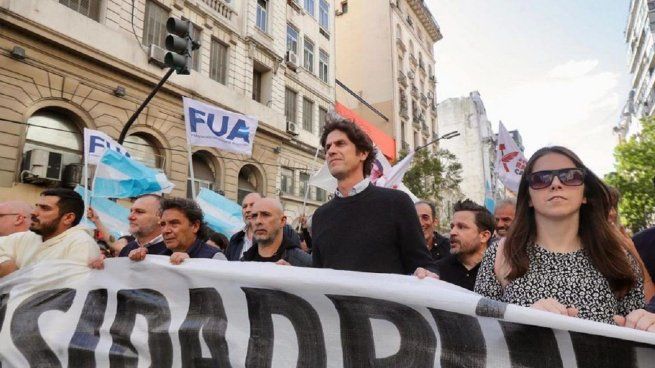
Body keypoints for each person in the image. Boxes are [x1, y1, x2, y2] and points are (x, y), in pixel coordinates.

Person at [474, 146, 655, 331]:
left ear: (584, 194)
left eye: (570, 176)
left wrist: (646, 324)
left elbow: (638, 338)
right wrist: (521, 322)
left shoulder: (617, 256)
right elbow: (478, 332)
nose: (555, 184)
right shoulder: (500, 254)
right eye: (541, 179)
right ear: (528, 197)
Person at [311, 112, 437, 277]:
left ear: (363, 153)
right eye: (328, 147)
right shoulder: (320, 216)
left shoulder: (397, 203)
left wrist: (427, 273)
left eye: (340, 144)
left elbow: (424, 265)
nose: (331, 151)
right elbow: (318, 277)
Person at [0, 188, 100, 277]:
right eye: (37, 206)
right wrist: (5, 263)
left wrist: (18, 278)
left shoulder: (81, 244)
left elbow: (68, 291)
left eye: (44, 208)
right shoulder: (29, 237)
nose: (33, 212)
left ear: (68, 218)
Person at [129, 197, 225, 264]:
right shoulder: (156, 256)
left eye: (174, 223)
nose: (166, 230)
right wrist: (139, 262)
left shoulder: (214, 257)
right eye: (163, 224)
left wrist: (192, 265)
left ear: (195, 226)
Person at [437, 199, 494, 291]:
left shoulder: (500, 272)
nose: (452, 232)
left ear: (484, 236)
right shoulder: (437, 271)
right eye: (452, 227)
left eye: (461, 227)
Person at [225, 192, 300, 260]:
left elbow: (296, 257)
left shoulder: (287, 232)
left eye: (252, 205)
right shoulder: (235, 239)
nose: (247, 210)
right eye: (244, 206)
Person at [241, 198, 311, 266]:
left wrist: (294, 275)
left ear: (282, 221)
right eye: (254, 216)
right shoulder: (242, 263)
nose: (258, 221)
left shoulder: (305, 263)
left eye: (266, 214)